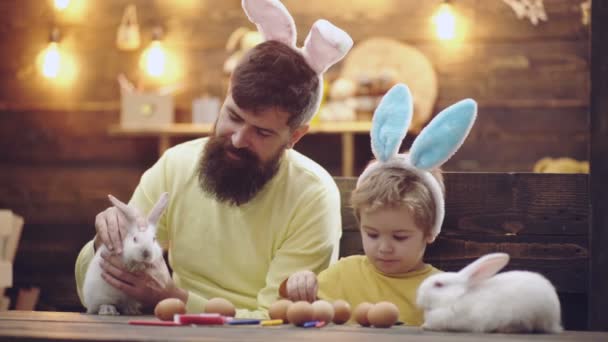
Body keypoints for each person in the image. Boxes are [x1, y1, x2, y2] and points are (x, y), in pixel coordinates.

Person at [75, 0, 353, 319]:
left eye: (261, 133)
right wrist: (102, 244)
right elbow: (94, 286)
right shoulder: (176, 165)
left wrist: (172, 297)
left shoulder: (313, 196)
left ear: (295, 137)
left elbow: (279, 320)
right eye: (232, 115)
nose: (237, 138)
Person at [283, 84, 477, 326]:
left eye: (400, 237)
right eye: (372, 234)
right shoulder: (343, 274)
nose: (384, 248)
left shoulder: (441, 291)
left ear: (429, 232)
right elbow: (295, 309)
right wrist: (300, 283)